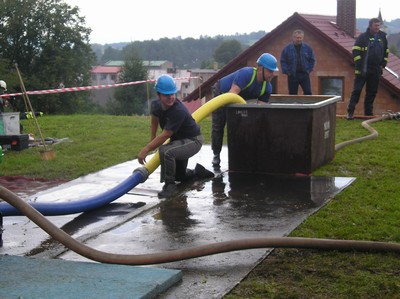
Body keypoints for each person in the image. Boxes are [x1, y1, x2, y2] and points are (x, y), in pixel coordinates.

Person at [137, 74, 206, 198]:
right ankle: (198, 172)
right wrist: (152, 137)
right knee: (180, 176)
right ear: (158, 95)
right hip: (179, 141)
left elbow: (166, 135)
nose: (171, 97)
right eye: (166, 95)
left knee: (166, 151)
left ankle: (170, 186)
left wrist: (146, 149)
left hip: (193, 141)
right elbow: (155, 119)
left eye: (173, 94)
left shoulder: (177, 110)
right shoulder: (156, 105)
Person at [211, 53, 278, 167]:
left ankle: (239, 155)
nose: (272, 75)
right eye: (270, 71)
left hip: (238, 99)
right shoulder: (246, 74)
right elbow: (231, 95)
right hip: (222, 93)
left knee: (240, 127)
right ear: (260, 68)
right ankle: (216, 155)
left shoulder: (267, 87)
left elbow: (259, 110)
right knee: (219, 126)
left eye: (273, 71)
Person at [347, 18, 389, 120]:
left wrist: (383, 64)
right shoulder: (363, 37)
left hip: (375, 69)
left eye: (378, 25)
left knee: (371, 92)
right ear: (370, 26)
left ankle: (368, 114)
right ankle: (350, 112)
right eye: (375, 25)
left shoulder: (382, 37)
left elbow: (386, 51)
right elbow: (355, 51)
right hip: (363, 69)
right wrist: (360, 64)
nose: (377, 27)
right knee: (357, 90)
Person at [280, 29, 316, 95]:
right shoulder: (287, 49)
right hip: (292, 75)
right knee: (292, 95)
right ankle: (293, 105)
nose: (299, 39)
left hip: (304, 75)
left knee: (308, 92)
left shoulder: (308, 48)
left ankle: (307, 105)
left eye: (300, 38)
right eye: (297, 38)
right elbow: (283, 61)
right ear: (293, 38)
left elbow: (312, 60)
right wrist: (287, 72)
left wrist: (309, 70)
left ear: (302, 38)